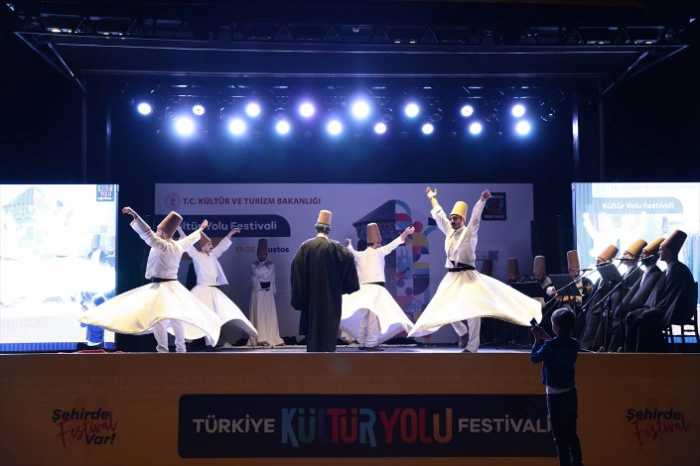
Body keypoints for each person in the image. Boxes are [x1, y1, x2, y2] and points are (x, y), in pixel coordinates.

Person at [407, 187, 541, 353]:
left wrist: (482, 201)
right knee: (444, 306)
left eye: (456, 218)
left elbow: (476, 218)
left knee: (473, 310)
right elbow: (439, 214)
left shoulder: (469, 232)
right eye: (451, 218)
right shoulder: (449, 230)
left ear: (462, 219)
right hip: (452, 276)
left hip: (468, 275)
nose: (452, 220)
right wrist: (432, 198)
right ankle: (462, 332)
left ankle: (472, 346)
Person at [79, 209, 221, 353]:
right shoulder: (178, 245)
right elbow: (191, 239)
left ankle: (163, 350)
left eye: (159, 231)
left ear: (164, 234)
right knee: (176, 319)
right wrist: (201, 229)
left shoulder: (163, 245)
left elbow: (146, 233)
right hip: (173, 287)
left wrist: (135, 215)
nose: (156, 232)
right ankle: (180, 349)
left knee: (160, 319)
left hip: (162, 287)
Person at [177, 226, 258, 351]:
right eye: (208, 244)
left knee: (212, 318)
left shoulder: (213, 255)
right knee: (197, 317)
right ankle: (188, 341)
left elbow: (222, 247)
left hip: (213, 291)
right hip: (202, 290)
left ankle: (209, 344)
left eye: (211, 243)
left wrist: (230, 234)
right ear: (202, 247)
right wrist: (180, 231)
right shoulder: (197, 256)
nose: (211, 246)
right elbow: (188, 244)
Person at [291, 210, 360, 352]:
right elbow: (349, 258)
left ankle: (313, 362)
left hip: (311, 300)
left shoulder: (305, 247)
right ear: (328, 231)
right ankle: (329, 362)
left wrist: (299, 297)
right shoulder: (335, 247)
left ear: (316, 230)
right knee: (328, 334)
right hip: (330, 299)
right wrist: (345, 286)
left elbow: (296, 271)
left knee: (313, 335)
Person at [341, 223, 415, 351]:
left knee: (364, 317)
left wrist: (349, 244)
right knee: (373, 317)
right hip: (375, 290)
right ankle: (371, 343)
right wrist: (406, 233)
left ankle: (362, 342)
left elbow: (351, 251)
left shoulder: (360, 255)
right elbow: (393, 244)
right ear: (376, 243)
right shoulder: (379, 252)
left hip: (363, 290)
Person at [624, 230, 696, 352]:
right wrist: (648, 307)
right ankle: (630, 352)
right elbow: (656, 294)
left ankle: (646, 353)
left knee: (644, 317)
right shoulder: (666, 272)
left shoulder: (679, 271)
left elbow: (672, 298)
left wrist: (653, 309)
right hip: (663, 307)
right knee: (631, 315)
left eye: (661, 249)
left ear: (668, 252)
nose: (658, 252)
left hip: (675, 310)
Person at [531, 307, 584, 466]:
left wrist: (537, 341)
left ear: (557, 326)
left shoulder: (550, 346)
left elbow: (534, 358)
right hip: (571, 395)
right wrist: (548, 338)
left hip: (555, 397)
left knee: (560, 438)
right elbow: (559, 346)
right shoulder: (574, 344)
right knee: (572, 434)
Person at [607, 237, 664, 352]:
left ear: (653, 257)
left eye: (645, 253)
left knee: (625, 316)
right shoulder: (647, 272)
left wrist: (626, 306)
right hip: (633, 307)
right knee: (617, 313)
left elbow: (641, 297)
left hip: (643, 309)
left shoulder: (655, 273)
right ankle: (612, 349)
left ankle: (616, 351)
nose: (641, 256)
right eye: (642, 253)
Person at [592, 238, 646, 351]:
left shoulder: (639, 273)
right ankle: (599, 348)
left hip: (626, 308)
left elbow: (634, 292)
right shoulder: (625, 273)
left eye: (626, 254)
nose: (622, 256)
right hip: (616, 307)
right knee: (604, 315)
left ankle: (612, 350)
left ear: (633, 257)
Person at [578, 244, 618, 350]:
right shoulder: (598, 280)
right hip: (590, 315)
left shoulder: (611, 281)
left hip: (599, 317)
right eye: (597, 261)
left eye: (599, 262)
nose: (597, 264)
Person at [248, 238, 285, 348]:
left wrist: (262, 269)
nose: (262, 255)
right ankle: (260, 338)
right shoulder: (253, 265)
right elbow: (258, 273)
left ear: (267, 254)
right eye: (260, 253)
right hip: (258, 293)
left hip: (268, 293)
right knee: (259, 315)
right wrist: (264, 268)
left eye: (264, 253)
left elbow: (267, 275)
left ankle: (272, 337)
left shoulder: (271, 265)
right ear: (257, 254)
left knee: (270, 316)